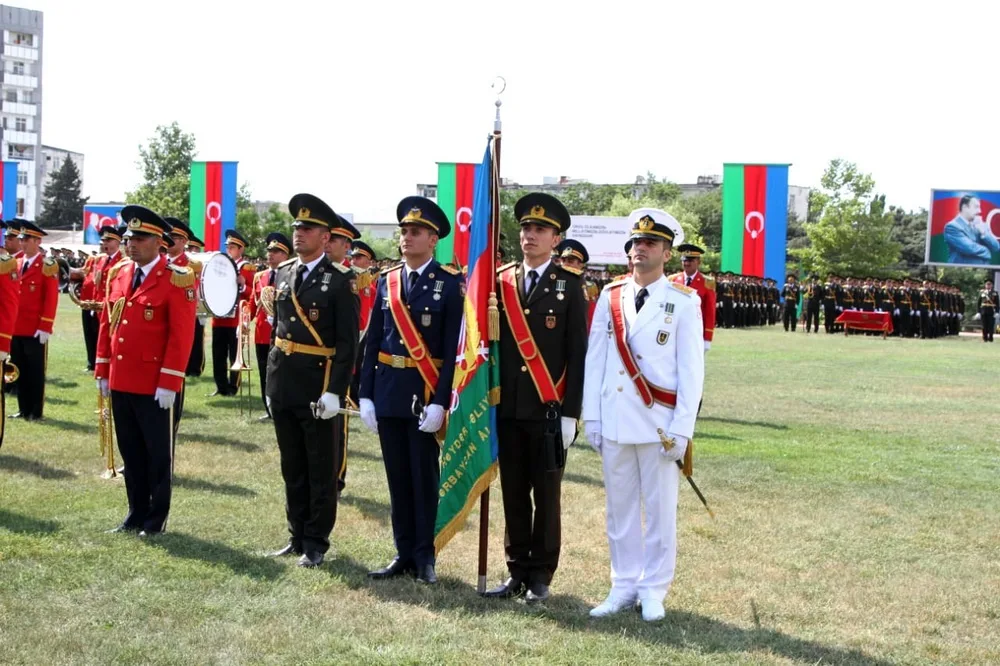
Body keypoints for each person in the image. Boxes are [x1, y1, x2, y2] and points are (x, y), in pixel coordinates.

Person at [582, 207, 704, 622]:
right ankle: (623, 584)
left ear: (667, 252)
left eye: (650, 243)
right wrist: (592, 416)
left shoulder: (683, 302)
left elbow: (691, 373)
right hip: (616, 418)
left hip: (660, 424)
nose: (640, 249)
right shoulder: (610, 296)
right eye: (635, 242)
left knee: (659, 511)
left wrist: (683, 429)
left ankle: (653, 590)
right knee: (619, 511)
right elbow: (595, 359)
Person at [483, 192, 587, 603]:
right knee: (513, 492)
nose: (530, 235)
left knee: (546, 495)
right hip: (508, 406)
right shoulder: (501, 281)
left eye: (540, 229)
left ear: (555, 239)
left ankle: (541, 573)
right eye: (526, 227)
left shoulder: (569, 285)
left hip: (548, 409)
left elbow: (577, 355)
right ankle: (515, 570)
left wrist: (570, 414)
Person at [358, 196, 463, 585]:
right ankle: (403, 551)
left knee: (423, 479)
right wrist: (365, 393)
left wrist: (440, 402)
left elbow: (453, 351)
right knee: (397, 478)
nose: (406, 237)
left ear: (433, 238)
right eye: (403, 231)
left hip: (423, 393)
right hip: (388, 391)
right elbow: (372, 342)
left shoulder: (449, 285)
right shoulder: (387, 281)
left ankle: (425, 555)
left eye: (415, 231)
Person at [265, 194, 359, 568]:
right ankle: (296, 534)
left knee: (320, 466)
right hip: (285, 381)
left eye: (308, 229)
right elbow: (279, 329)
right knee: (292, 465)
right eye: (297, 228)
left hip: (318, 385)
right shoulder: (284, 271)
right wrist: (272, 384)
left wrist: (336, 391)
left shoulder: (340, 280)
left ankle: (316, 541)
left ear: (325, 236)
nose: (299, 234)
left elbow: (348, 343)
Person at [96, 206, 197, 536]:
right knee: (131, 452)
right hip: (123, 380)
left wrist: (170, 380)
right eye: (128, 237)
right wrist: (102, 368)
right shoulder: (120, 275)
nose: (131, 244)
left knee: (157, 455)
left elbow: (181, 335)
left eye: (139, 238)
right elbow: (107, 324)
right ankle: (135, 512)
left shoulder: (176, 278)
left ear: (158, 242)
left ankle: (155, 519)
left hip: (155, 384)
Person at [322, 215, 360, 496]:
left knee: (337, 428)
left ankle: (337, 475)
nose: (327, 243)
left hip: (334, 364)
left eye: (334, 238)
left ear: (346, 245)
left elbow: (349, 335)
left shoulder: (350, 280)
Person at [9, 222, 59, 421]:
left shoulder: (47, 265)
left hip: (34, 329)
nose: (22, 243)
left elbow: (51, 298)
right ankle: (23, 409)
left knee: (35, 372)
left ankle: (35, 411)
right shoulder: (17, 263)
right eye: (20, 239)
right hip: (16, 327)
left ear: (37, 241)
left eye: (26, 239)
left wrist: (45, 325)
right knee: (18, 369)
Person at [162, 218, 202, 439]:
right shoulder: (159, 260)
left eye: (175, 238)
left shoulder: (190, 266)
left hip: (179, 323)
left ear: (185, 241)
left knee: (175, 376)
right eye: (169, 237)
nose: (170, 241)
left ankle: (172, 427)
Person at [248, 232, 290, 421]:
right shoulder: (259, 276)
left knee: (281, 372)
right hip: (262, 333)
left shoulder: (291, 275)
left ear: (285, 255)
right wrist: (244, 323)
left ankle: (281, 407)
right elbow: (252, 302)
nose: (270, 255)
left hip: (282, 333)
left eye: (276, 251)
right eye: (269, 251)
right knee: (264, 370)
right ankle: (268, 408)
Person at [210, 229, 256, 396]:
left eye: (232, 246)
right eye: (227, 246)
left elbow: (253, 293)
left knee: (234, 355)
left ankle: (233, 387)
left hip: (235, 318)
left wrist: (243, 285)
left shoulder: (247, 267)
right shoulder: (222, 265)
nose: (228, 249)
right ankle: (221, 386)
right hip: (219, 317)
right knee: (218, 354)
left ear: (240, 249)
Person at [669, 243, 715, 352]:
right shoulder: (672, 280)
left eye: (690, 260)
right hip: (673, 330)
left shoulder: (707, 282)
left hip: (695, 332)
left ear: (698, 262)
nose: (686, 263)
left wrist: (707, 338)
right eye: (684, 260)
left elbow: (710, 312)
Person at [943, 196, 1000, 265]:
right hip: (963, 272)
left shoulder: (981, 225)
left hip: (985, 271)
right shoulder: (952, 227)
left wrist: (984, 233)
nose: (979, 211)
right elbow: (969, 248)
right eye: (976, 207)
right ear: (964, 207)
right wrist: (988, 251)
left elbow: (996, 247)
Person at [184, 235, 207, 377]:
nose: (193, 251)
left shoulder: (200, 264)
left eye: (195, 248)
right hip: (187, 305)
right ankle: (186, 366)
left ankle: (196, 367)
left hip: (198, 304)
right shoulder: (185, 263)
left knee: (198, 337)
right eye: (190, 248)